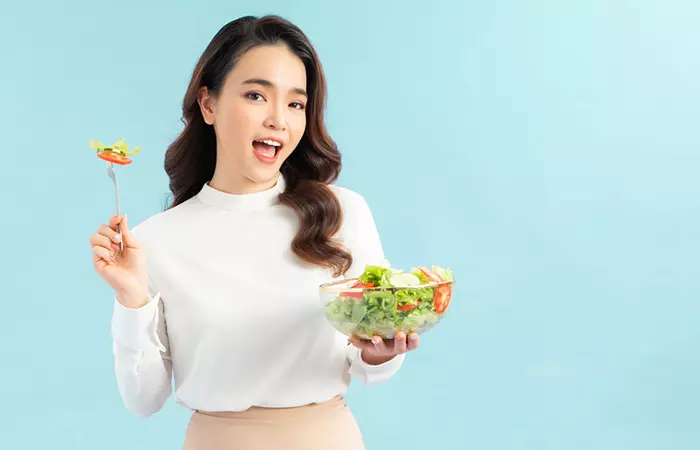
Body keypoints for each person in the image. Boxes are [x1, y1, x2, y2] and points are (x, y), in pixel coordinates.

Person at [88, 14, 420, 450]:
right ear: (209, 105)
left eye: (296, 103)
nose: (278, 120)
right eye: (256, 95)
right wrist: (132, 301)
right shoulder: (155, 242)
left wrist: (378, 353)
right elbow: (143, 400)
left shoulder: (344, 213)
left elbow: (370, 364)